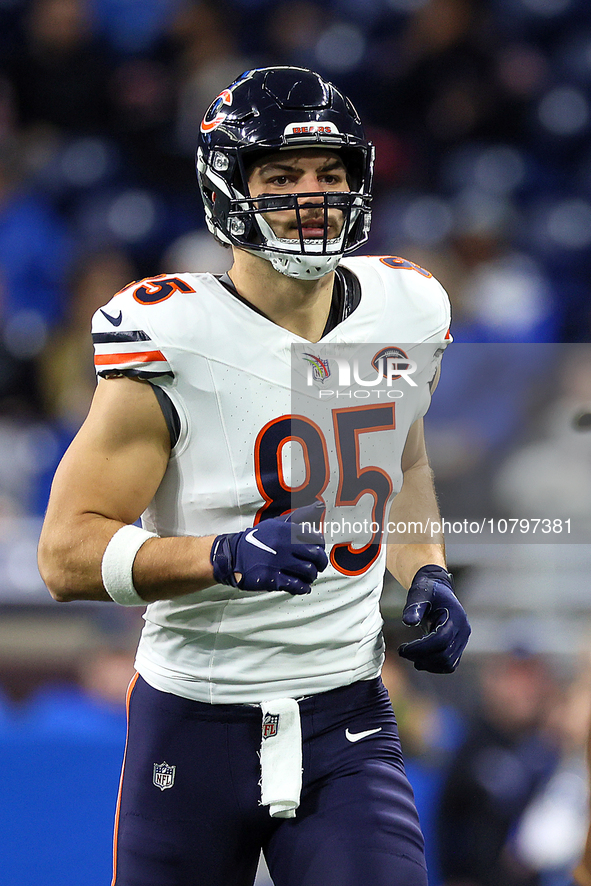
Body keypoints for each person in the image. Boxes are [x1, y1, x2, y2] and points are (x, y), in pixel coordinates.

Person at [37, 66, 471, 886]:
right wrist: (222, 555)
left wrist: (427, 570)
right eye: (280, 175)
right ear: (227, 190)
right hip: (194, 715)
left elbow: (401, 454)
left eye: (329, 174)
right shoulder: (171, 334)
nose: (312, 196)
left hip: (346, 711)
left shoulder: (407, 307)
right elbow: (63, 554)